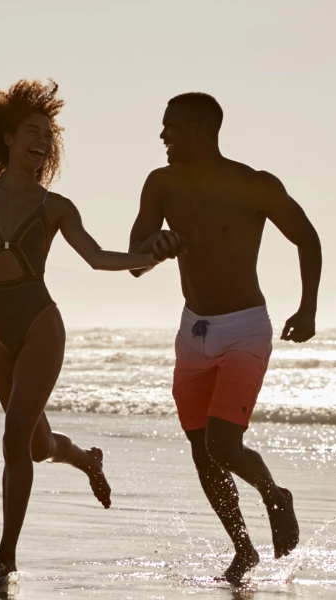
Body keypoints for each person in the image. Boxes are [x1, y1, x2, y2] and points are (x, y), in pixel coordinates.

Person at [0, 79, 181, 588]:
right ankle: (85, 459)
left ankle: (5, 560)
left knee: (13, 438)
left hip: (40, 326)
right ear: (9, 138)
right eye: (33, 132)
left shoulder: (56, 207)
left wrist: (153, 254)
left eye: (48, 135)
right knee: (36, 447)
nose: (42, 141)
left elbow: (99, 257)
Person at [127, 92, 323, 586]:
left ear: (199, 130)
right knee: (201, 449)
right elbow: (134, 259)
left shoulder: (253, 184)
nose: (162, 136)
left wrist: (308, 307)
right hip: (193, 330)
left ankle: (276, 495)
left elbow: (307, 237)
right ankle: (243, 549)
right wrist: (156, 247)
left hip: (244, 328)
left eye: (170, 127)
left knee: (223, 444)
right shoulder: (161, 183)